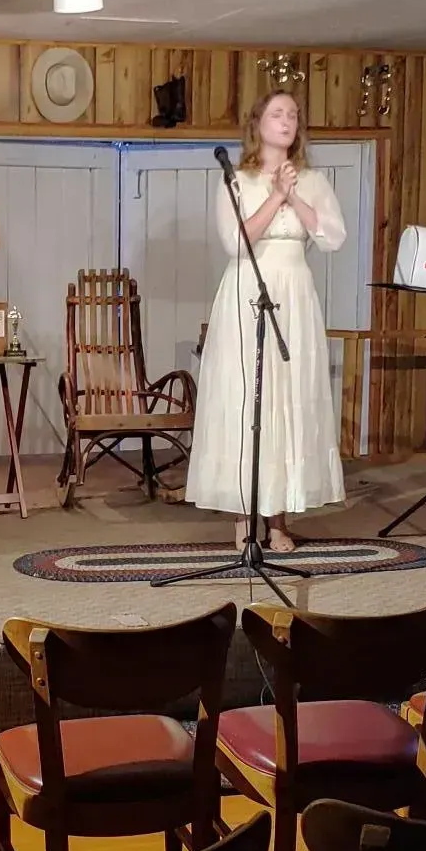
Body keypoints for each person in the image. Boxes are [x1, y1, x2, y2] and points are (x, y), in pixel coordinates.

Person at [186, 90, 346, 552]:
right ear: (257, 124)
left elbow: (332, 237)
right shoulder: (236, 180)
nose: (287, 120)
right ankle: (243, 516)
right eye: (277, 113)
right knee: (247, 399)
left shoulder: (313, 180)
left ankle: (279, 519)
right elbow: (236, 243)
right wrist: (274, 196)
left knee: (287, 399)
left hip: (294, 296)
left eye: (293, 114)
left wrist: (294, 195)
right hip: (246, 292)